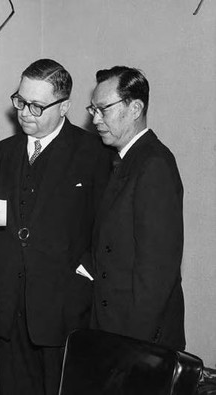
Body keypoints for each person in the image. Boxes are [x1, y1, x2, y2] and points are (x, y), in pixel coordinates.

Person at [0, 59, 111, 395]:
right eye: (20, 101)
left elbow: (108, 229)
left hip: (66, 313)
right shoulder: (1, 153)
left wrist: (85, 275)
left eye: (36, 105)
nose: (24, 113)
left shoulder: (94, 154)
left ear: (64, 106)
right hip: (8, 308)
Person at [87, 66, 185, 350]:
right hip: (113, 327)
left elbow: (156, 273)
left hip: (138, 336)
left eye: (102, 109)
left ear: (135, 108)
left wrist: (132, 348)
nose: (95, 119)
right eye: (92, 109)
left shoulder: (154, 164)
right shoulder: (121, 161)